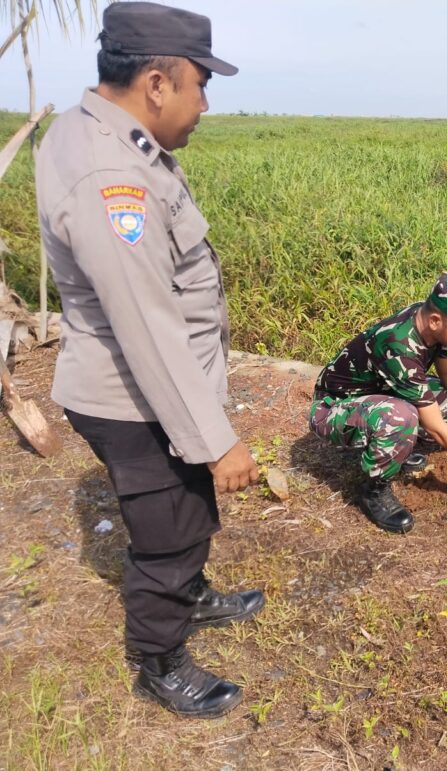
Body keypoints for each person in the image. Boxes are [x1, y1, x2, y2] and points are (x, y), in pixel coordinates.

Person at [35, 2, 262, 718]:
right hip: (132, 394)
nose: (205, 104)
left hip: (148, 385)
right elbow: (146, 327)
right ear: (157, 83)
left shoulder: (106, 138)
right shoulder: (112, 177)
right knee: (169, 527)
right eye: (200, 85)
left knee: (184, 504)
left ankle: (190, 596)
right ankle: (161, 658)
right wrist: (215, 438)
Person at [311, 271, 447, 533]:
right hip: (335, 408)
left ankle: (397, 448)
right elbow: (437, 428)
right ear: (437, 320)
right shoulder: (398, 344)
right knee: (401, 418)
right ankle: (374, 489)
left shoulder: (434, 325)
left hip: (383, 392)